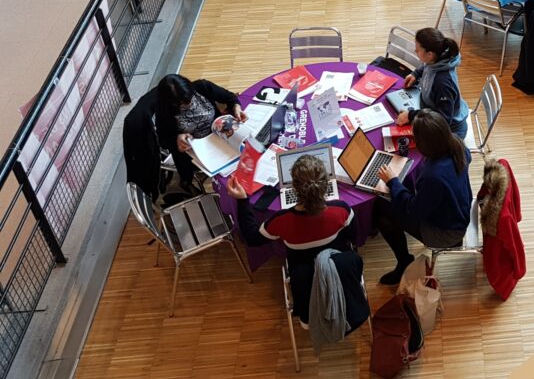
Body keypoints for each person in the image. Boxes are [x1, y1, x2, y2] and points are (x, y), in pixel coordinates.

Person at [227, 155, 356, 325]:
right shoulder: (342, 210)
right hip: (339, 271)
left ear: (294, 188)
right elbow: (353, 238)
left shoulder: (281, 220)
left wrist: (243, 201)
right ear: (326, 185)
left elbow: (251, 238)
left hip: (303, 280)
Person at [374, 110, 472, 284]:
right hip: (460, 212)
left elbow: (413, 210)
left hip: (446, 233)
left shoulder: (434, 176)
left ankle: (404, 261)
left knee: (381, 210)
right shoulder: (458, 145)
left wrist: (393, 182)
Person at [154, 74, 246, 191]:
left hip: (219, 136)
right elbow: (162, 140)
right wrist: (177, 138)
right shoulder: (164, 111)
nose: (188, 104)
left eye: (189, 98)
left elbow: (229, 97)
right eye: (181, 103)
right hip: (195, 150)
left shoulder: (202, 87)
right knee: (226, 173)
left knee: (243, 157)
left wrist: (236, 107)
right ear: (170, 102)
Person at [397, 28, 470, 138]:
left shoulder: (442, 83)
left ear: (430, 54)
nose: (415, 51)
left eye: (417, 49)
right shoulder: (436, 60)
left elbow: (442, 119)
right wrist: (415, 74)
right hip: (430, 112)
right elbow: (427, 67)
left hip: (449, 132)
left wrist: (411, 116)